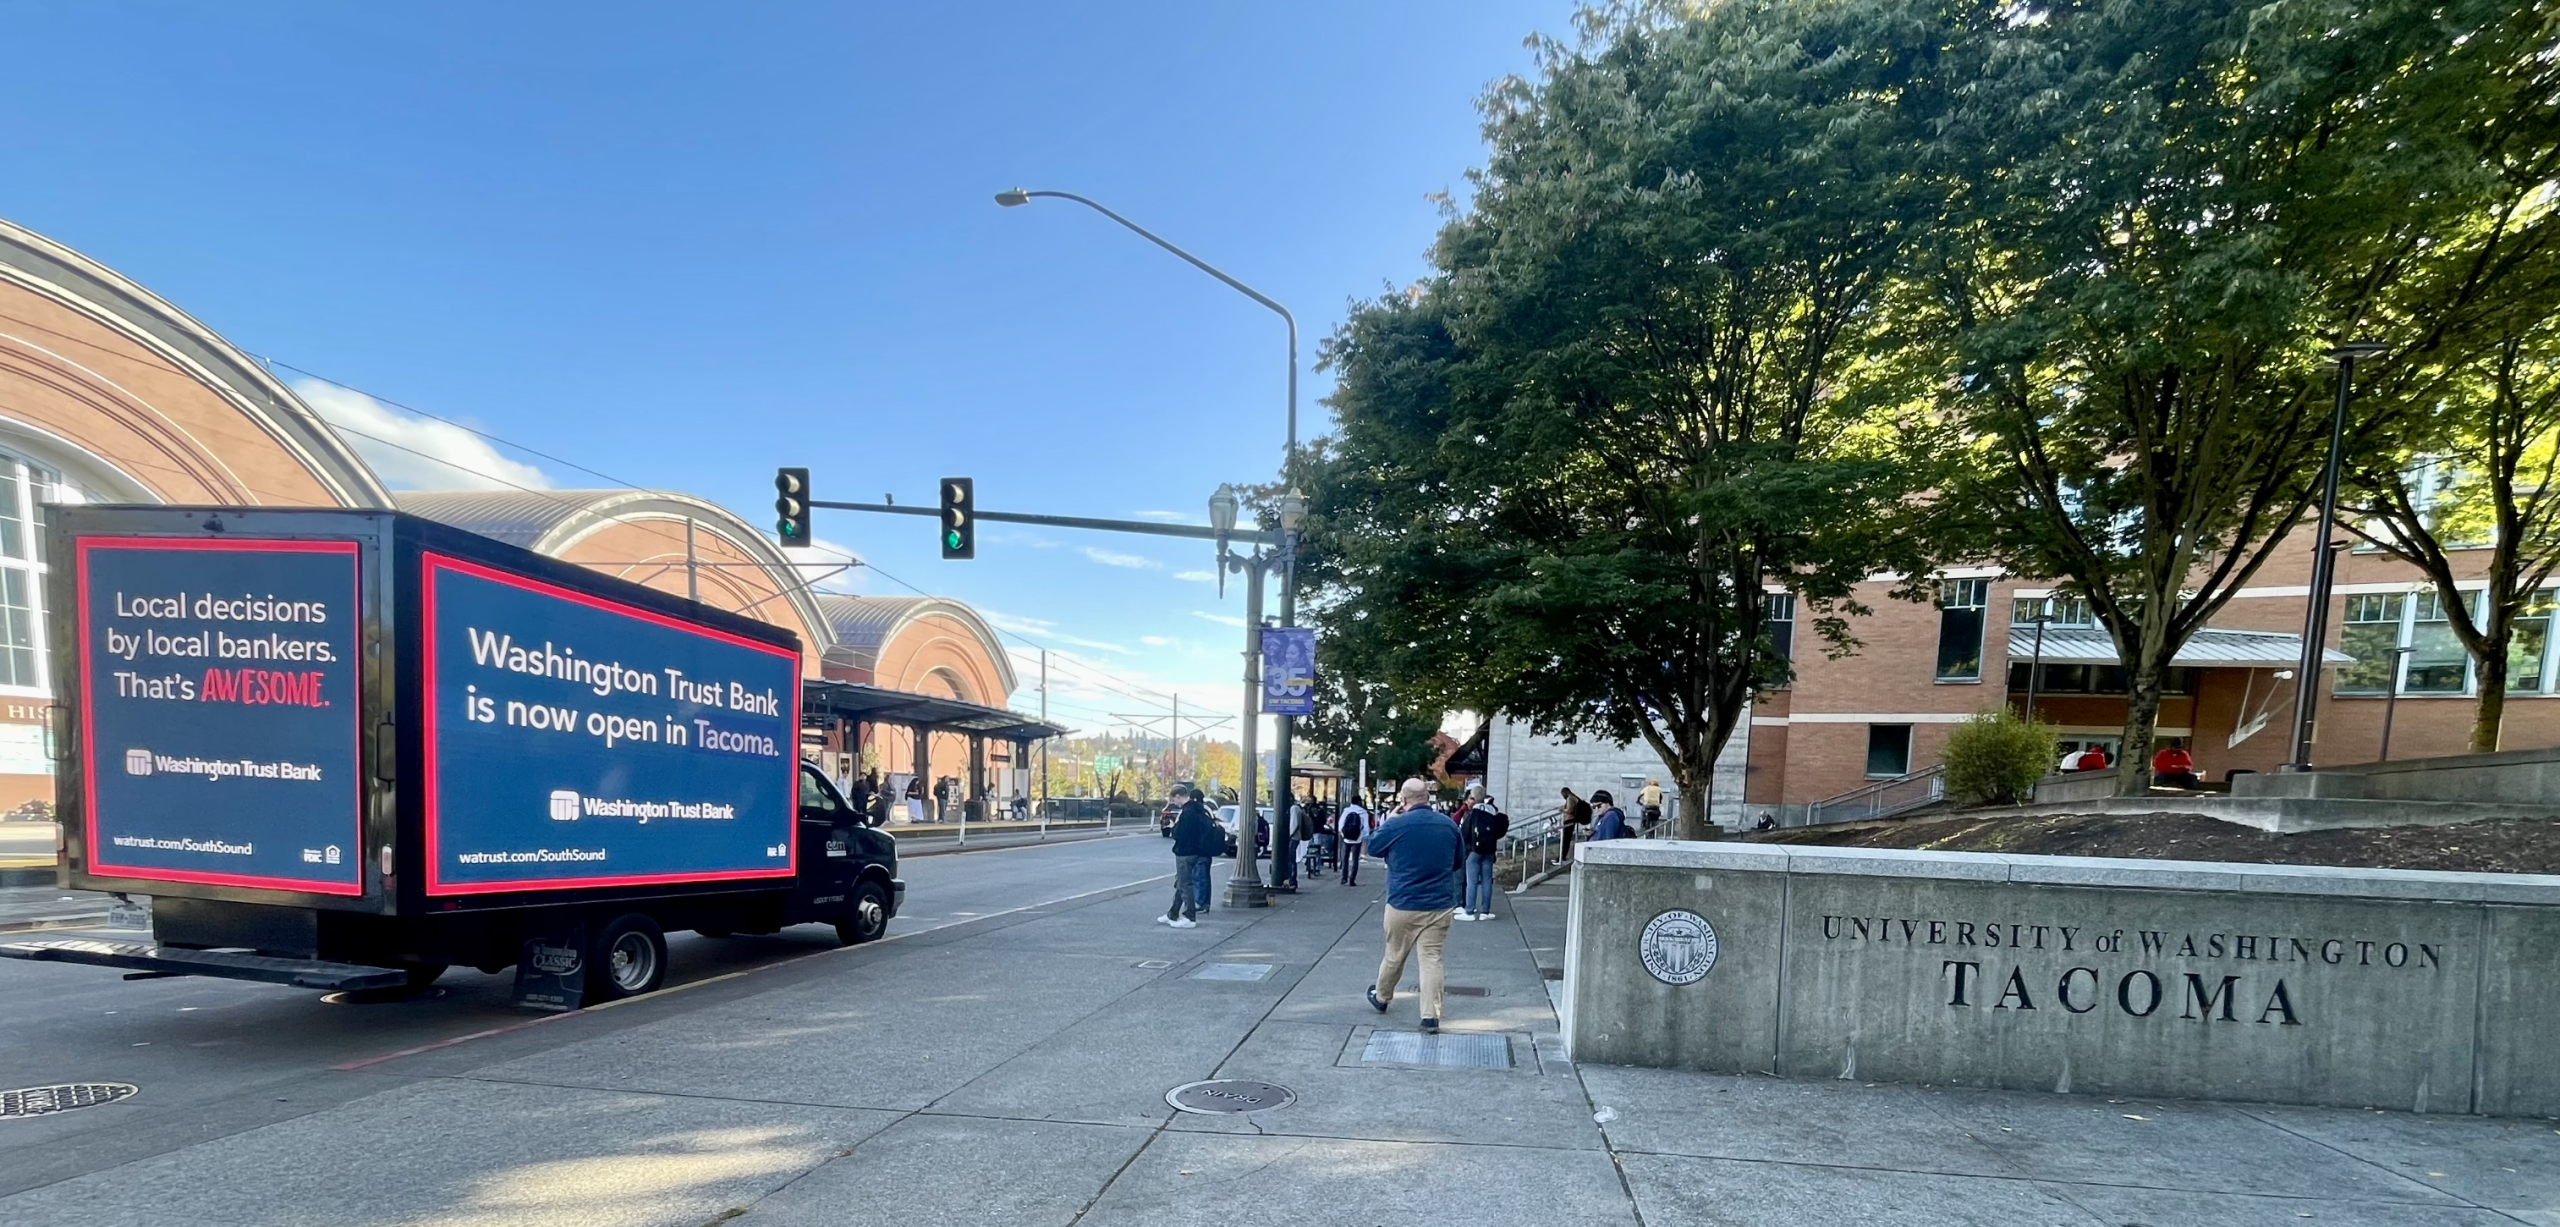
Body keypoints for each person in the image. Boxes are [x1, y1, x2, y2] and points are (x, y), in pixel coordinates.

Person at [1364, 777, 1465, 1034]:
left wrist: (1390, 819)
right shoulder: (1448, 825)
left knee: (1394, 954)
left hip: (1402, 904)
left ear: (1403, 800)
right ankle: (1430, 1016)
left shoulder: (1397, 825)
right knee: (1431, 959)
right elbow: (1457, 862)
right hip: (1438, 905)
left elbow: (1373, 847)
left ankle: (1383, 997)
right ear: (1428, 797)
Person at [1162, 787, 1219, 929]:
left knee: (1184, 884)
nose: (1175, 803)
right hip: (1196, 852)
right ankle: (1173, 913)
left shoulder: (1187, 813)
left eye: (1174, 800)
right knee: (1181, 882)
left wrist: (1174, 827)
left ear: (1178, 796)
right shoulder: (1199, 810)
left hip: (1185, 853)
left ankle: (1189, 916)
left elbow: (1179, 834)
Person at [1458, 794, 1508, 921]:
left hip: (1474, 851)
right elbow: (1500, 831)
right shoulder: (1494, 814)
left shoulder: (1473, 813)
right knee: (1487, 881)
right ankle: (1485, 912)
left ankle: (1469, 911)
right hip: (1489, 851)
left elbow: (1464, 832)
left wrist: (1467, 848)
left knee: (1472, 882)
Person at [1337, 796, 1369, 885]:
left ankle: (1344, 877)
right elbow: (1366, 828)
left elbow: (1341, 824)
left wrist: (1343, 834)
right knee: (1355, 859)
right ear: (1359, 802)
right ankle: (1352, 879)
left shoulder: (1346, 811)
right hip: (1357, 839)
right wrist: (1363, 836)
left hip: (1346, 838)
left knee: (1345, 857)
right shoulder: (1363, 812)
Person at [1559, 787, 1594, 862]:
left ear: (1566, 792)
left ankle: (1562, 856)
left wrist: (1562, 809)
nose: (1563, 796)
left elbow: (1570, 810)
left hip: (1569, 820)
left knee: (1566, 839)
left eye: (1563, 794)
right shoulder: (1574, 798)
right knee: (1566, 839)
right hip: (1571, 820)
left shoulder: (1570, 798)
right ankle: (1563, 856)